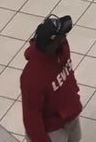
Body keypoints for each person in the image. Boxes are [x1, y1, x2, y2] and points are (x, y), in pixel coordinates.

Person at [21, 14, 82, 142]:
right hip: (51, 130)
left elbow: (68, 73)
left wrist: (74, 95)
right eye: (61, 35)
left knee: (76, 138)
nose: (65, 37)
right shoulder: (32, 78)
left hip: (70, 116)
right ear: (51, 44)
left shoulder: (62, 47)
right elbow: (31, 118)